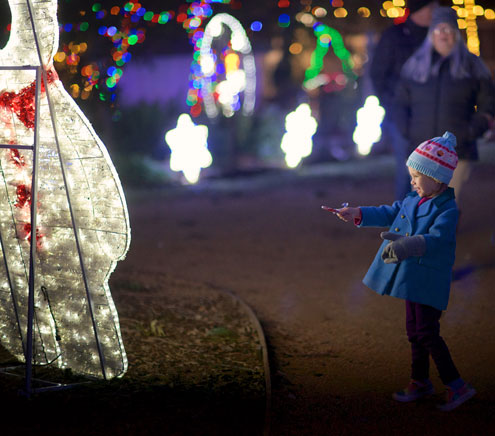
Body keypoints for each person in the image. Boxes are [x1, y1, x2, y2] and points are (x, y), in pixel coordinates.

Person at [329, 131, 476, 411]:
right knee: (415, 331)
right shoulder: (414, 199)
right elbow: (389, 212)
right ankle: (420, 380)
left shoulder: (448, 210)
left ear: (437, 178)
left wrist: (408, 246)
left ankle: (457, 386)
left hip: (428, 280)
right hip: (413, 279)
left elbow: (438, 240)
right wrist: (357, 212)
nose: (412, 181)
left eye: (416, 176)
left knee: (427, 332)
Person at [394, 6, 495, 210]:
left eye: (448, 29)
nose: (443, 34)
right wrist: (407, 130)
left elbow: (489, 102)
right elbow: (399, 104)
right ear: (431, 33)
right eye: (438, 29)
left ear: (456, 34)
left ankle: (442, 240)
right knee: (421, 206)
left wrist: (472, 130)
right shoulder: (414, 66)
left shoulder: (472, 66)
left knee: (445, 206)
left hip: (456, 151)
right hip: (420, 149)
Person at [370, 0, 438, 200]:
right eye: (431, 6)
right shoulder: (394, 36)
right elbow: (378, 74)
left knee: (434, 172)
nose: (435, 11)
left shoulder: (439, 35)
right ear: (419, 9)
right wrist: (391, 104)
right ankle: (404, 222)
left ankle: (427, 220)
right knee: (409, 170)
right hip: (403, 115)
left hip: (434, 114)